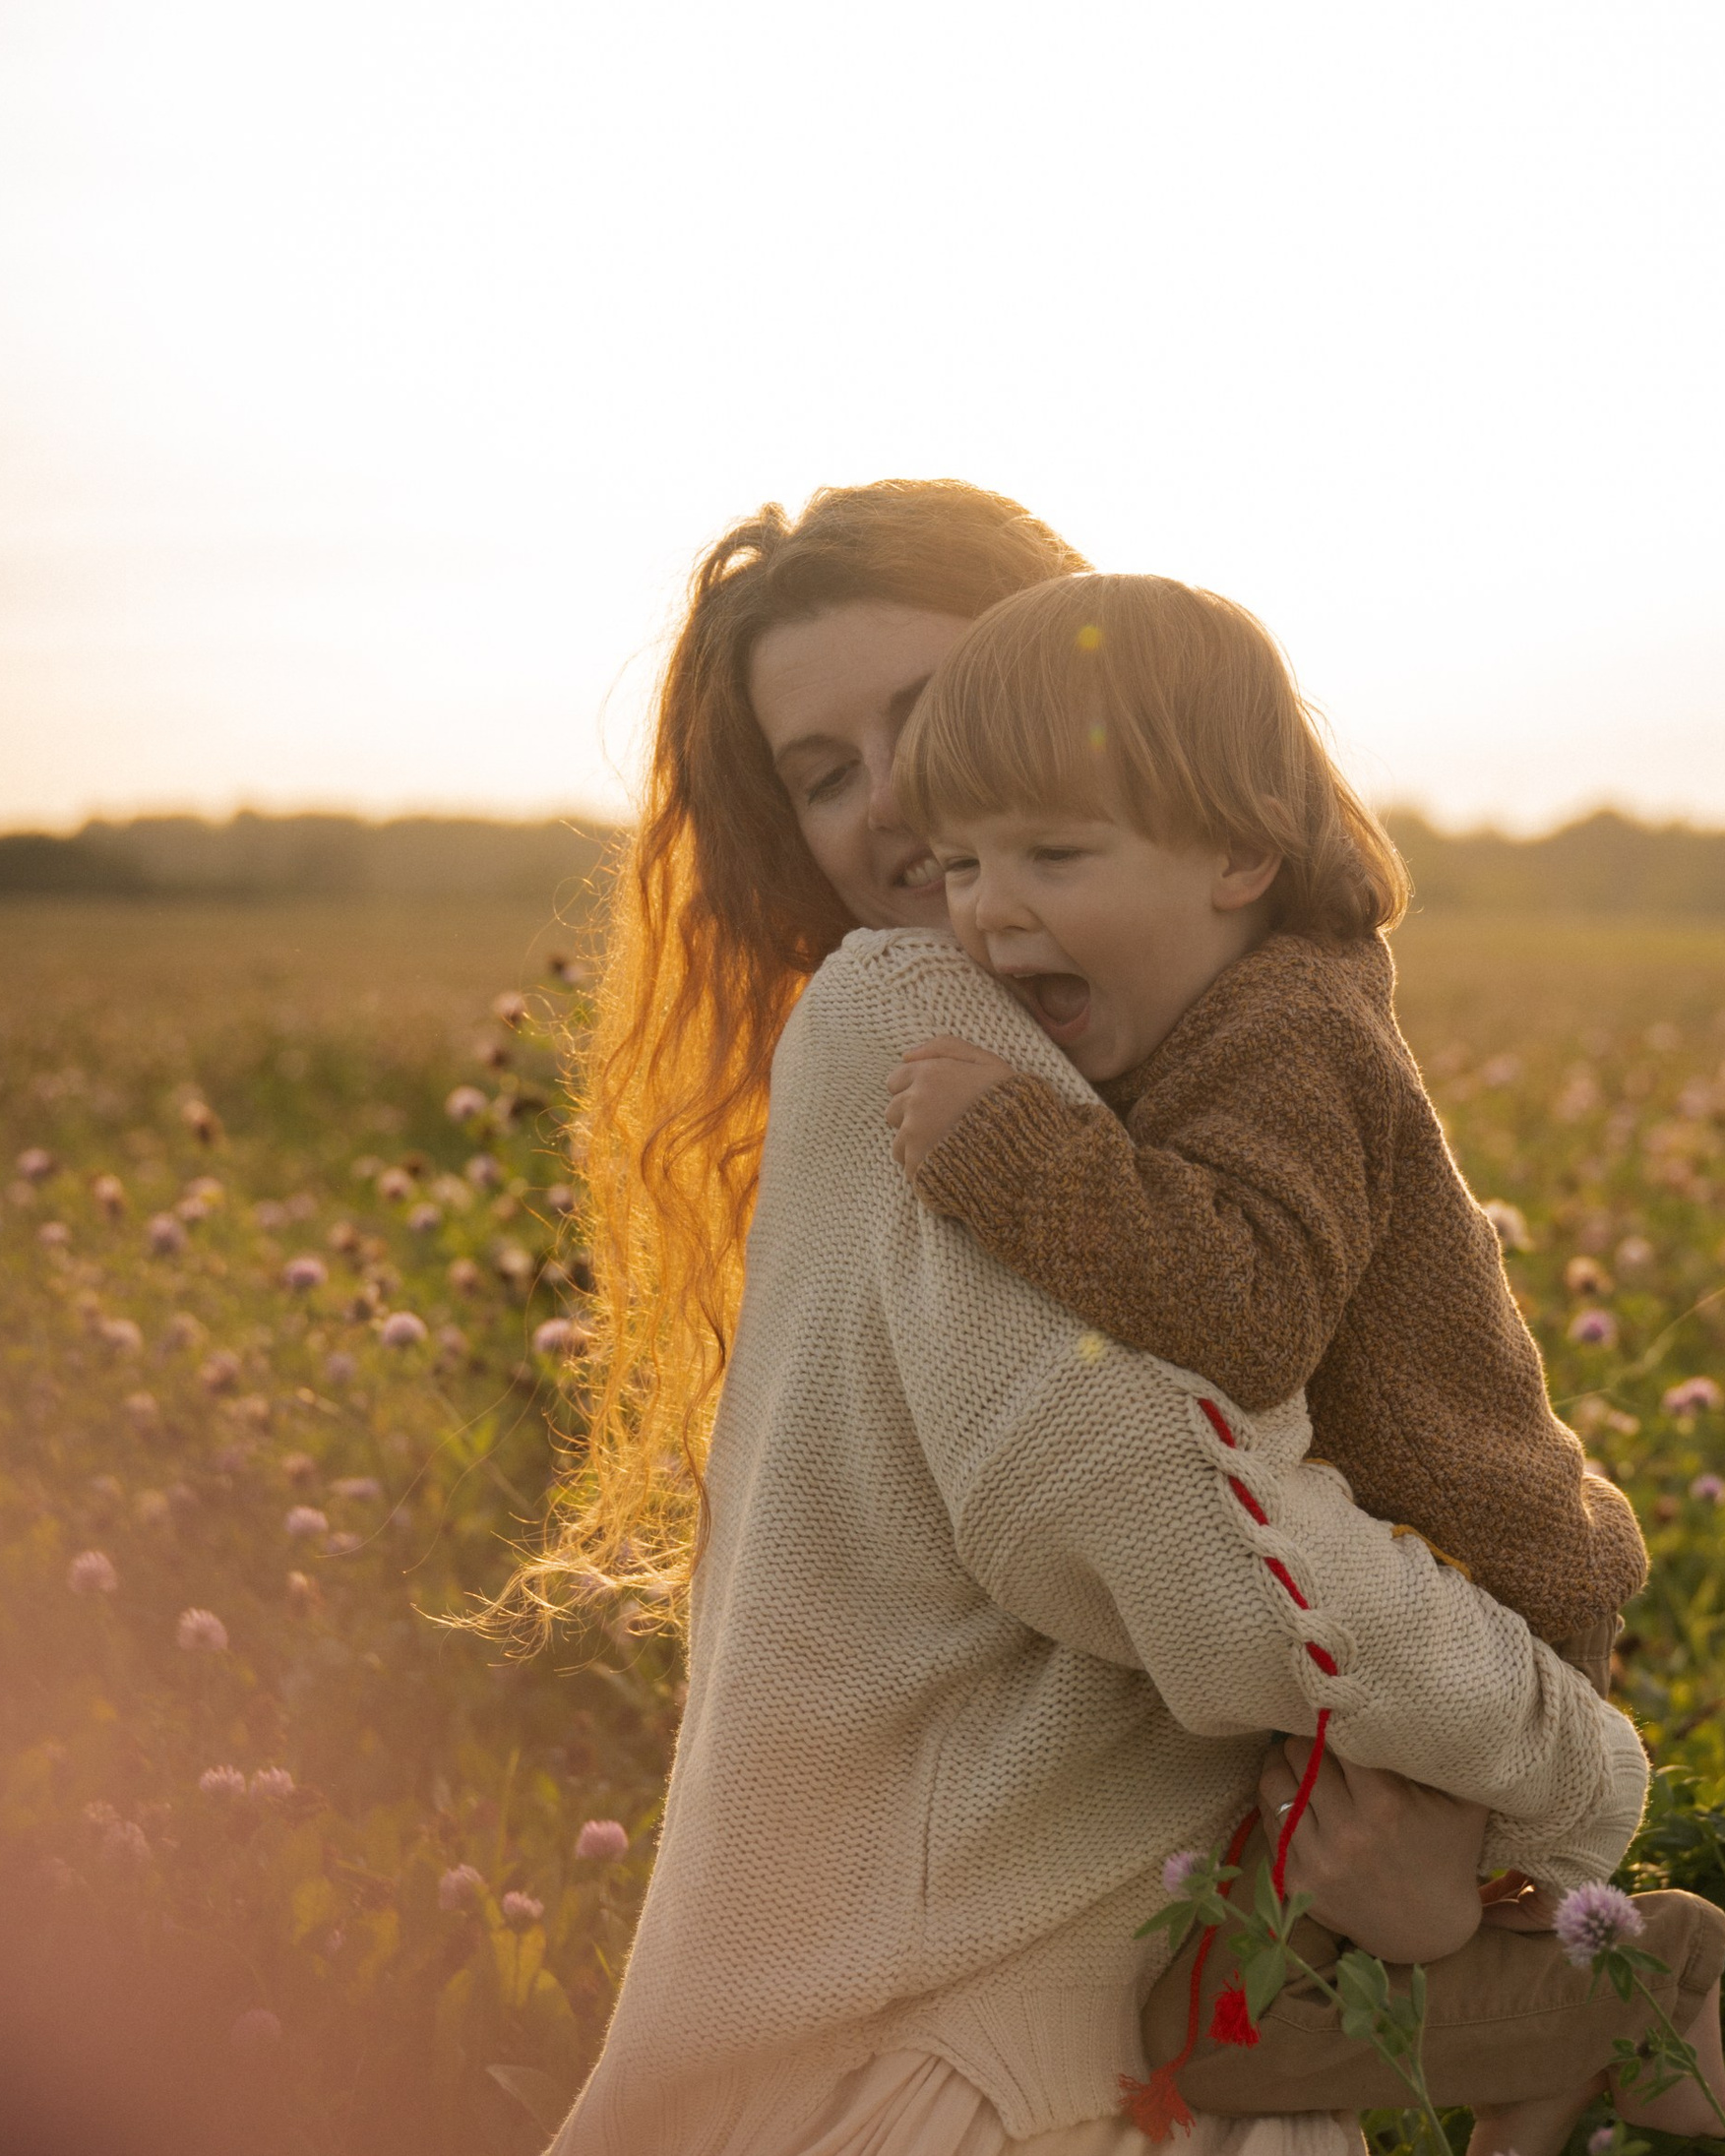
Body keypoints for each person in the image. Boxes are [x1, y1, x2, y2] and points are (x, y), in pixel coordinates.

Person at [531, 484, 1656, 2156]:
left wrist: (1427, 1853)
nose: (904, 806)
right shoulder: (923, 1020)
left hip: (1062, 2040)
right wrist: (1579, 1774)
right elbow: (1182, 1534)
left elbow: (1223, 1444)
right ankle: (1611, 2014)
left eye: (935, 715)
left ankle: (1589, 2015)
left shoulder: (1173, 1042)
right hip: (993, 2071)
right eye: (824, 775)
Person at [882, 568, 1720, 2152]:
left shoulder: (1287, 1035)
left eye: (1054, 854)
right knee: (1268, 2004)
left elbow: (1245, 1300)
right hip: (1403, 1584)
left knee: (1227, 2033)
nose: (990, 907)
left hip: (1466, 1583)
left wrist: (1005, 1152)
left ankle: (1656, 1990)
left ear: (1241, 855)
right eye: (963, 861)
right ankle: (1605, 2049)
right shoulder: (1221, 1011)